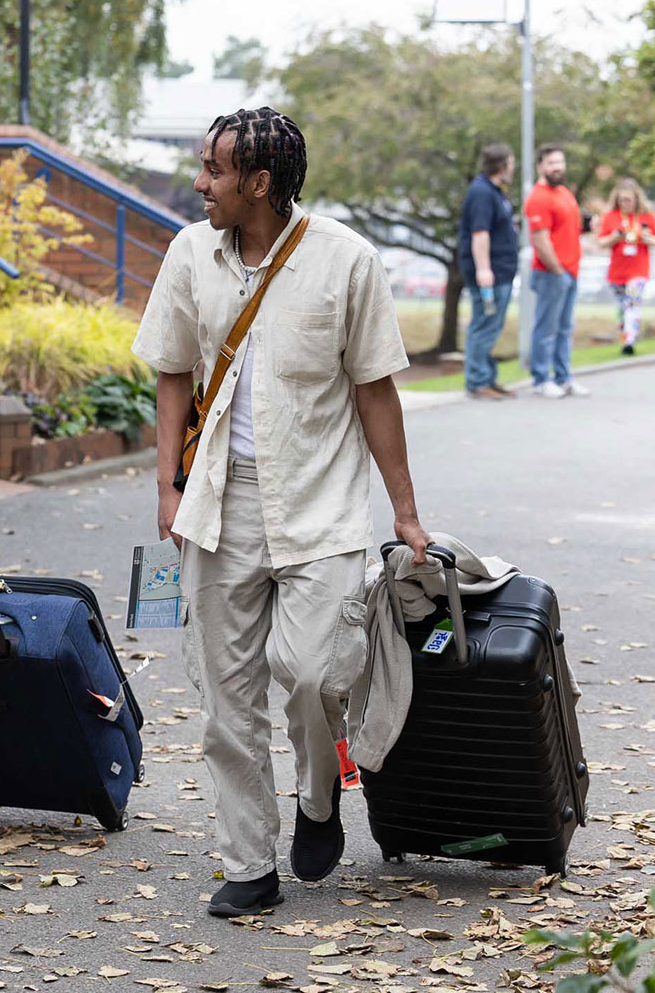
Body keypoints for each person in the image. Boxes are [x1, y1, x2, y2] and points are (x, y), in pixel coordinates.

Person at [132, 107, 431, 918]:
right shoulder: (191, 252)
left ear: (257, 184)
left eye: (214, 171)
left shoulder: (346, 261)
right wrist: (168, 485)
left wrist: (404, 512)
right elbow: (169, 369)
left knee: (310, 674)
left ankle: (319, 793)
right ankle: (248, 863)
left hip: (321, 507)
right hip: (218, 506)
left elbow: (375, 389)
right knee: (227, 699)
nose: (199, 184)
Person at [524, 144, 588, 398]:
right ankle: (541, 379)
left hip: (570, 271)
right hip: (552, 273)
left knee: (564, 329)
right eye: (551, 162)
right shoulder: (538, 197)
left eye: (560, 162)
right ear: (540, 166)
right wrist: (558, 270)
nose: (557, 167)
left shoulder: (564, 193)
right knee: (546, 328)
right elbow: (540, 240)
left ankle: (563, 378)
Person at [458, 143, 519, 400]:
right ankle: (477, 382)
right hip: (489, 274)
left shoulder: (494, 192)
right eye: (512, 163)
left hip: (501, 271)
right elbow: (479, 233)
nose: (513, 169)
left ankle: (488, 378)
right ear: (503, 165)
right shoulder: (482, 192)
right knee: (484, 325)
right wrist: (484, 269)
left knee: (491, 326)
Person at [596, 178, 654, 355]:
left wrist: (648, 238)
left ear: (636, 199)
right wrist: (615, 237)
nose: (625, 203)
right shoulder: (611, 217)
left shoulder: (646, 217)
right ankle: (625, 339)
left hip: (638, 271)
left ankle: (631, 339)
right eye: (622, 200)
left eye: (629, 200)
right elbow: (601, 242)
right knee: (623, 307)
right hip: (617, 273)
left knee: (632, 301)